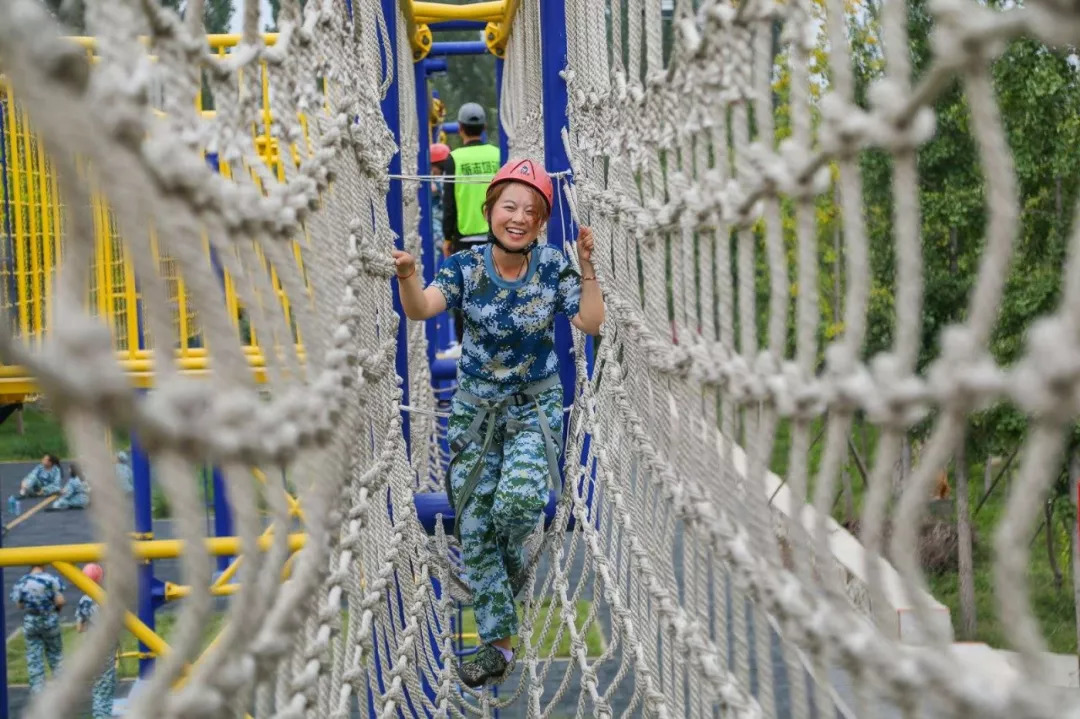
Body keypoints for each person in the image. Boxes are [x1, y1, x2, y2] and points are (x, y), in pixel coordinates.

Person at [391, 159, 604, 687]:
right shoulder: (466, 268)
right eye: (509, 206)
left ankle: (501, 593)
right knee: (474, 522)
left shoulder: (553, 266)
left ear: (540, 224)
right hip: (475, 413)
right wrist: (408, 276)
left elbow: (591, 322)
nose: (519, 217)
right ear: (489, 211)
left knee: (516, 505)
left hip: (532, 409)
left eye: (531, 211)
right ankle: (499, 648)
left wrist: (587, 267)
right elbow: (423, 310)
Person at [441, 102, 501, 344]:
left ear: (460, 128)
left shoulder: (453, 159)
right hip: (496, 238)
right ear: (484, 127)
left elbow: (449, 204)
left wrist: (447, 238)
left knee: (463, 296)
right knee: (496, 294)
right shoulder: (499, 154)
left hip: (464, 240)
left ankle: (466, 349)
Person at [10, 564, 65, 693]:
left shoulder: (22, 582)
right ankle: (63, 690)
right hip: (50, 620)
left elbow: (19, 605)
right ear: (43, 564)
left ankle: (38, 693)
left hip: (31, 621)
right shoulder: (52, 579)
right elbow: (60, 601)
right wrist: (55, 610)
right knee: (56, 655)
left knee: (34, 658)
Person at [75, 563, 116, 719]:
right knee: (106, 685)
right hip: (106, 644)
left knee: (98, 685)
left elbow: (79, 628)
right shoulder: (106, 597)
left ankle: (101, 714)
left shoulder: (84, 601)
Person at [431, 142, 451, 254]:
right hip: (445, 222)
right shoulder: (447, 178)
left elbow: (435, 188)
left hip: (437, 223)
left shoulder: (440, 180)